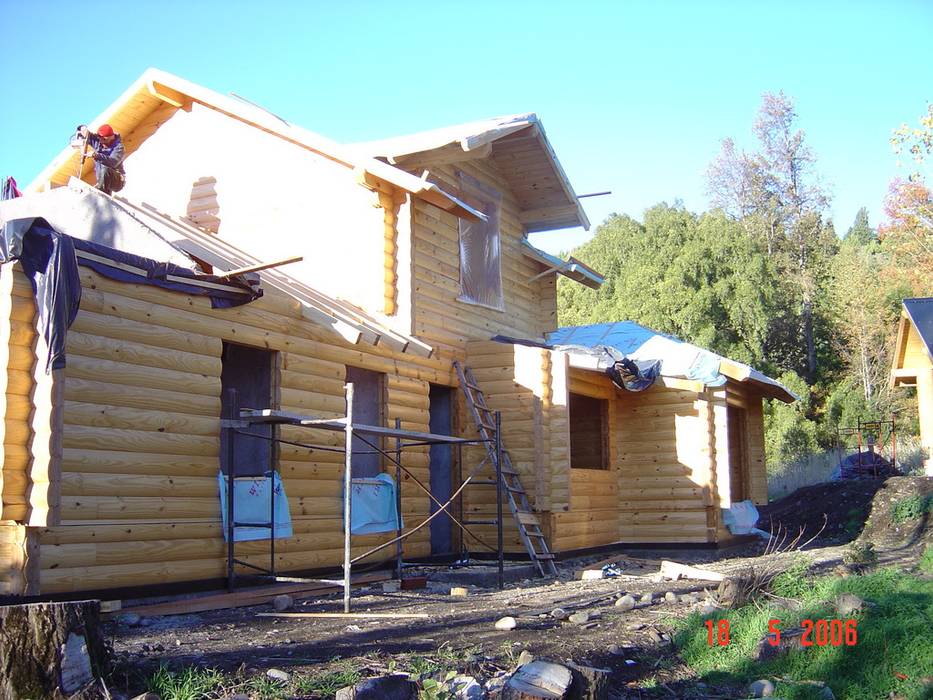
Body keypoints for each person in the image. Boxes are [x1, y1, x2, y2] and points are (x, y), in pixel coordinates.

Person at [72, 124, 126, 194]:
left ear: (110, 137)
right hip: (103, 181)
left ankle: (99, 192)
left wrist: (97, 155)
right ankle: (101, 193)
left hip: (117, 180)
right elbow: (87, 135)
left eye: (103, 139)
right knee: (103, 188)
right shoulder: (99, 141)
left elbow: (113, 162)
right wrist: (82, 129)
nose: (100, 140)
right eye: (99, 138)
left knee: (105, 170)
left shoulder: (119, 148)